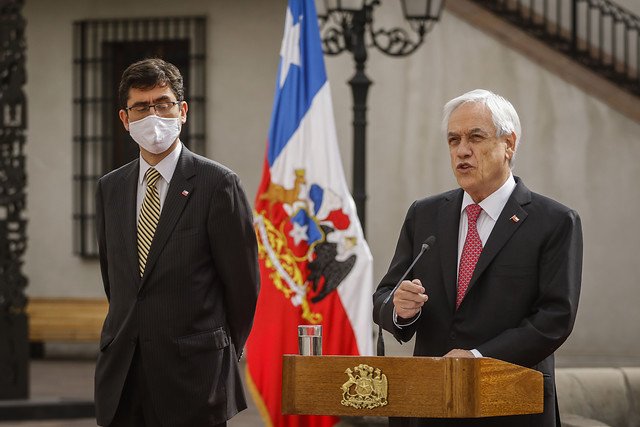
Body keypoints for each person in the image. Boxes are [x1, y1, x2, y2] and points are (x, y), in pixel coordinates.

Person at [373, 89, 582, 426]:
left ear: (509, 144)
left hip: (511, 405)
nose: (462, 151)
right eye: (453, 140)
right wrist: (399, 309)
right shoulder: (425, 214)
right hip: (429, 406)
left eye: (475, 137)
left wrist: (478, 358)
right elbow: (383, 298)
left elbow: (555, 317)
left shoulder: (554, 221)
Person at [94, 58, 259, 427]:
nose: (153, 115)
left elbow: (243, 285)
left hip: (195, 380)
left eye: (163, 103)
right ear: (125, 119)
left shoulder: (218, 184)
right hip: (123, 378)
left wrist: (216, 350)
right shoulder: (110, 188)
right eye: (141, 106)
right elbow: (117, 282)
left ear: (182, 111)